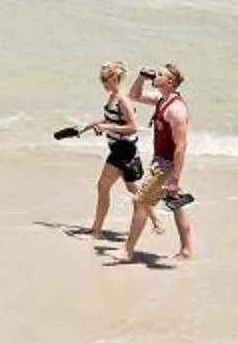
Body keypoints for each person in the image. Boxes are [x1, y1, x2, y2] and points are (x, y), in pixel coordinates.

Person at [111, 61, 193, 264]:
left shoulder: (176, 109)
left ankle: (127, 251)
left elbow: (181, 146)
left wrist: (174, 178)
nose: (155, 76)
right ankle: (186, 250)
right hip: (160, 161)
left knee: (140, 201)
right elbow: (135, 96)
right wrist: (141, 77)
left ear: (170, 81)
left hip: (166, 164)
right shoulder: (161, 100)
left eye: (160, 75)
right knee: (176, 204)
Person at [74, 62, 146, 238]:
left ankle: (96, 231)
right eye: (101, 79)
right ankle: (153, 220)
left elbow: (133, 126)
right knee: (133, 189)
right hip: (119, 148)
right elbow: (109, 119)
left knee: (102, 186)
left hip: (123, 149)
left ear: (114, 78)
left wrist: (106, 128)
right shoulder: (113, 97)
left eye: (104, 79)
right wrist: (86, 127)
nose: (102, 83)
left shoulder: (122, 99)